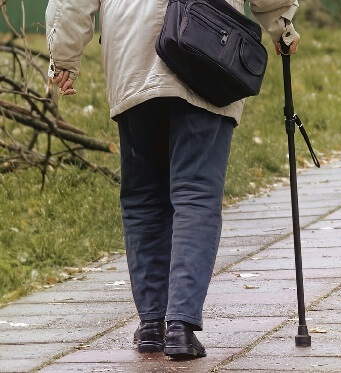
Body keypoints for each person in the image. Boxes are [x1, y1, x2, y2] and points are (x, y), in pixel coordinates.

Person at [46, 0, 300, 360]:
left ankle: (151, 324)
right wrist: (281, 25)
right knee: (196, 194)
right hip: (207, 41)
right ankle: (180, 327)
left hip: (132, 51)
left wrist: (64, 56)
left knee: (142, 198)